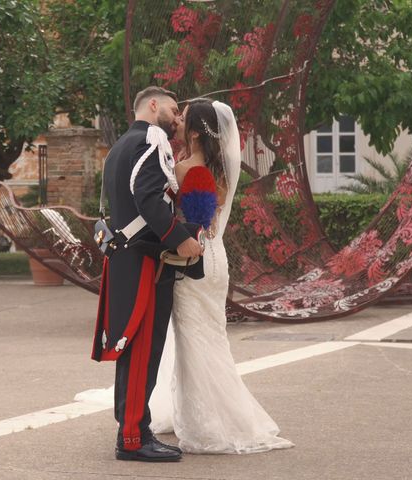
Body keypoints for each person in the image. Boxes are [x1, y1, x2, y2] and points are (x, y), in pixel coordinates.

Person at [149, 98, 294, 454]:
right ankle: (225, 415)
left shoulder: (184, 169)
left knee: (192, 340)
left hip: (193, 261)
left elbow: (178, 217)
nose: (178, 122)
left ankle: (207, 425)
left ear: (196, 132)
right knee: (212, 336)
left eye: (183, 120)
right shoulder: (222, 170)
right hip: (217, 258)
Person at [90, 86, 203, 462]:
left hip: (124, 258)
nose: (175, 116)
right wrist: (180, 239)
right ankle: (134, 438)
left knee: (133, 348)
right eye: (173, 108)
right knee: (141, 350)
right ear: (153, 106)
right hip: (145, 261)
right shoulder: (152, 140)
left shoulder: (121, 145)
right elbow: (149, 198)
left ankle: (133, 427)